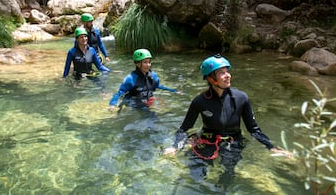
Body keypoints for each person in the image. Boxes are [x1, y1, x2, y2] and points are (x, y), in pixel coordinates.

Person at [163, 54, 292, 190]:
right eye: (221, 73)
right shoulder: (200, 101)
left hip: (233, 142)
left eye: (227, 71)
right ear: (210, 78)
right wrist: (175, 146)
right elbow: (184, 128)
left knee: (226, 178)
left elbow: (253, 129)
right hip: (207, 140)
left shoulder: (241, 98)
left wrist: (271, 147)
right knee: (196, 177)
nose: (228, 75)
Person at [108, 49, 179, 112]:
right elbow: (119, 94)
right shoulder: (130, 79)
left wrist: (174, 91)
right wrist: (112, 104)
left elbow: (158, 86)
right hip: (134, 102)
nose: (148, 65)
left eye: (149, 62)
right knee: (150, 116)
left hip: (147, 100)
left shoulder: (153, 76)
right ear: (137, 63)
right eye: (145, 62)